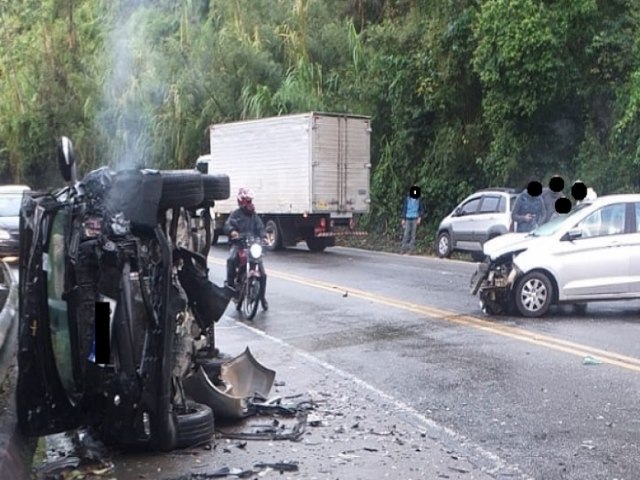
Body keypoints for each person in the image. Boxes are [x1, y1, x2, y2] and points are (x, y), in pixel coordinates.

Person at [224, 187, 269, 311]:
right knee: (231, 259)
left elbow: (260, 227)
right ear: (242, 201)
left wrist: (264, 237)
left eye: (250, 201)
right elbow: (228, 225)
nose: (250, 203)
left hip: (252, 246)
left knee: (263, 274)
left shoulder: (254, 215)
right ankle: (231, 285)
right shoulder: (236, 214)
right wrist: (232, 231)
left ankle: (262, 298)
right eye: (247, 201)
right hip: (239, 244)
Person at [400, 185, 425, 254]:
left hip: (415, 218)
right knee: (406, 234)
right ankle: (403, 249)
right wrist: (403, 218)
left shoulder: (419, 200)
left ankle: (410, 250)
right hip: (408, 218)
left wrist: (419, 218)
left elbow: (421, 209)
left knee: (413, 235)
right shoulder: (407, 199)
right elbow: (404, 209)